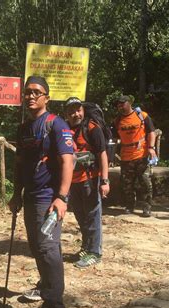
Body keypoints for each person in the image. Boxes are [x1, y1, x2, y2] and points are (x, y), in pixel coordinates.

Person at [8, 76, 73, 308]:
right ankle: (46, 288)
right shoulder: (24, 128)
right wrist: (16, 194)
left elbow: (68, 160)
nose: (31, 96)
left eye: (37, 92)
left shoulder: (57, 124)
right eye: (27, 92)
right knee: (38, 248)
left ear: (47, 96)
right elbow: (20, 164)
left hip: (49, 198)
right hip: (31, 197)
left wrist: (62, 197)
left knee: (48, 249)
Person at [64, 97, 109, 268]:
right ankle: (86, 247)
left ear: (83, 110)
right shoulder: (65, 129)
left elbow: (102, 154)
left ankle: (95, 253)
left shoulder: (92, 128)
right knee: (80, 215)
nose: (76, 114)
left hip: (90, 179)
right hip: (73, 181)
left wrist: (104, 181)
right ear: (66, 114)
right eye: (72, 112)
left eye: (78, 110)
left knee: (92, 216)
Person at [114, 95, 156, 217]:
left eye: (122, 104)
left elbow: (151, 132)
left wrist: (151, 148)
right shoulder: (117, 120)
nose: (120, 106)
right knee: (127, 184)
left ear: (129, 103)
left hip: (141, 155)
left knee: (145, 181)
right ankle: (129, 205)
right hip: (126, 157)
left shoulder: (142, 115)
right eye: (118, 105)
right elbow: (114, 137)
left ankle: (147, 206)